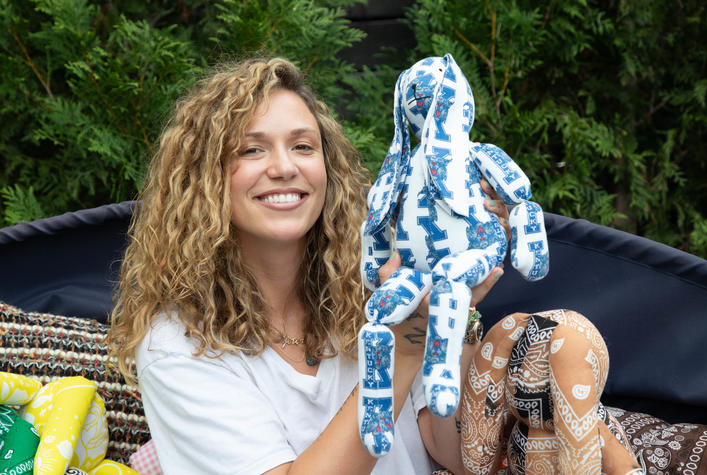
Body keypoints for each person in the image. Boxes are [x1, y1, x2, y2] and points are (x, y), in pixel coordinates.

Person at [107, 57, 507, 474]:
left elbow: (459, 457)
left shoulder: (376, 283)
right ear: (203, 178)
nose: (284, 168)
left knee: (566, 335)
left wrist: (456, 313)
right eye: (251, 149)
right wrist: (401, 348)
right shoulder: (177, 344)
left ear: (327, 169)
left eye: (302, 146)